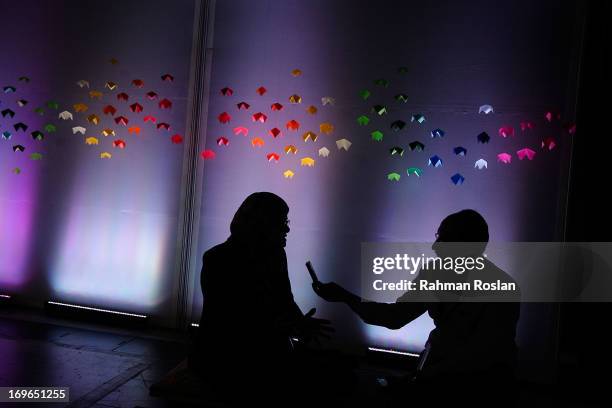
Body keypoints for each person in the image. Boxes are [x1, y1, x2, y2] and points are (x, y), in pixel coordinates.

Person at [313, 209, 521, 407]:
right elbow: (394, 317)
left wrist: (423, 377)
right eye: (438, 236)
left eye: (445, 239)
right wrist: (345, 297)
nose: (435, 246)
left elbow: (481, 355)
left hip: (478, 388)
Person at [188, 192, 333, 402]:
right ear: (260, 223)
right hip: (225, 359)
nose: (287, 228)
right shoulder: (219, 260)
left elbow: (285, 300)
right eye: (281, 222)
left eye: (286, 221)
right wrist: (288, 325)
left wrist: (297, 322)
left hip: (261, 351)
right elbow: (228, 324)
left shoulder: (275, 255)